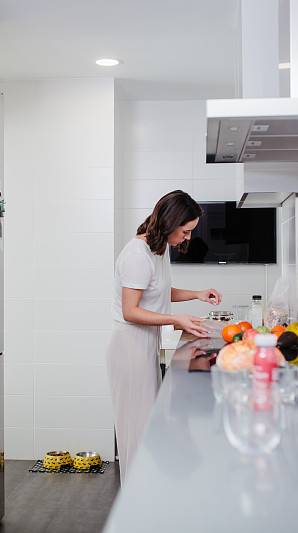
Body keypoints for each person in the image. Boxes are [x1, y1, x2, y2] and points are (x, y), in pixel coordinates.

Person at [106, 189, 222, 485]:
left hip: (144, 343)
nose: (187, 238)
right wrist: (176, 319)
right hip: (129, 347)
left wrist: (196, 294)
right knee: (136, 433)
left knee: (147, 429)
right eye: (185, 231)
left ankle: (144, 498)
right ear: (171, 223)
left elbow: (157, 292)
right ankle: (134, 506)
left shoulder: (157, 250)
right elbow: (131, 310)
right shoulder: (137, 253)